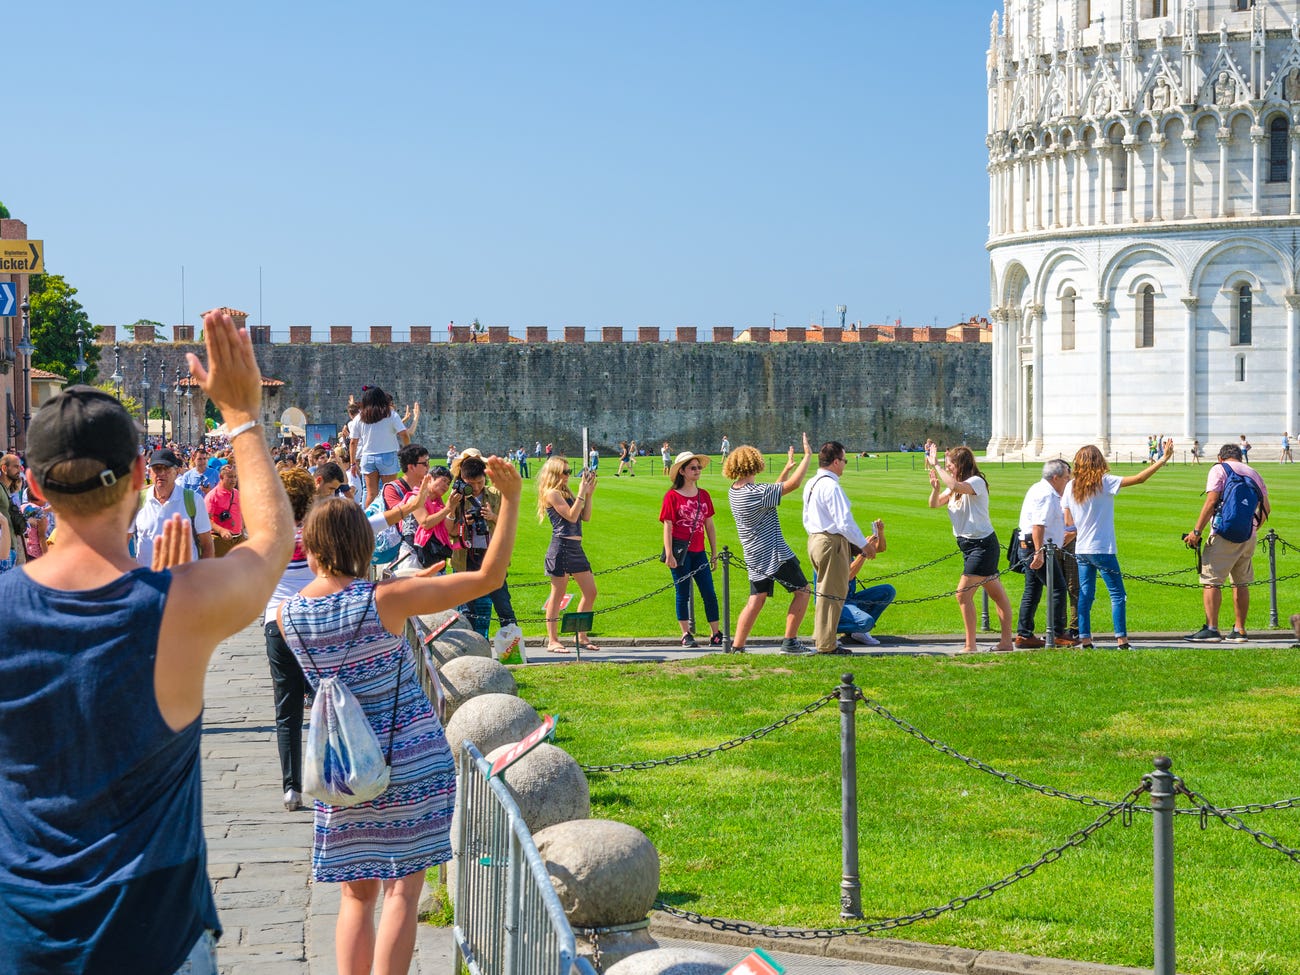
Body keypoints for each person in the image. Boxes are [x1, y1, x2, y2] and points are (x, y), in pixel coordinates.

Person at [0, 309, 295, 974]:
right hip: (155, 936)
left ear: (37, 486)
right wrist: (243, 416)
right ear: (139, 473)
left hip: (26, 937)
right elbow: (273, 543)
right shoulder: (175, 607)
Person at [279, 458, 521, 975]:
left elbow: (340, 604)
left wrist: (410, 585)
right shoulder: (387, 600)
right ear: (364, 546)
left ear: (314, 548)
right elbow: (489, 576)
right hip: (409, 759)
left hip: (342, 768)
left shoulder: (288, 614)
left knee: (356, 896)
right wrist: (513, 501)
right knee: (402, 894)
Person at [1062, 439, 1172, 650]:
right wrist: (1163, 459)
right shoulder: (1104, 482)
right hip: (1102, 548)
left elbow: (1068, 522)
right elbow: (1140, 478)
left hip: (1082, 548)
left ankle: (1085, 639)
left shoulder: (1071, 486)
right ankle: (1121, 640)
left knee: (1086, 595)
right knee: (1117, 595)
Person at [723, 436, 814, 655]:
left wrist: (787, 467)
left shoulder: (735, 491)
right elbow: (792, 486)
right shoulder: (754, 493)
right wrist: (808, 457)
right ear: (755, 464)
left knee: (756, 599)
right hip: (774, 554)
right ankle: (790, 642)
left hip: (754, 556)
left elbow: (772, 491)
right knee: (803, 592)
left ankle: (737, 646)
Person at [264, 467, 318, 812]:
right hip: (315, 619)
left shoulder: (270, 531)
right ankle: (332, 776)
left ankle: (291, 788)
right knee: (328, 702)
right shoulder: (316, 528)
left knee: (287, 712)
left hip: (278, 620)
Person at [925, 444, 1015, 653]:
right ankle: (1006, 642)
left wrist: (936, 464)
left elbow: (956, 486)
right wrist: (936, 489)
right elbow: (934, 504)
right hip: (970, 546)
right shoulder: (956, 485)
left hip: (982, 545)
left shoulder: (976, 482)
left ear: (961, 465)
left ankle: (970, 645)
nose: (948, 469)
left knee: (962, 595)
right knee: (998, 595)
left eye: (951, 466)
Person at [1182, 443, 1271, 642]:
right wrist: (1252, 528)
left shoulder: (1219, 469)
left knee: (1211, 581)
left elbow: (1211, 501)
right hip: (1248, 536)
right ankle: (1239, 630)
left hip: (1223, 533)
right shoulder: (1253, 473)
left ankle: (1212, 628)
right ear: (1239, 456)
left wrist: (1196, 531)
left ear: (1220, 457)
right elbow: (1266, 508)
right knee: (1240, 583)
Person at [803, 440, 875, 655]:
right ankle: (827, 644)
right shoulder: (831, 486)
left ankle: (823, 637)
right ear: (835, 462)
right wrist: (864, 545)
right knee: (833, 593)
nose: (844, 464)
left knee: (826, 592)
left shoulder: (812, 483)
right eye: (844, 460)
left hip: (816, 539)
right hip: (830, 541)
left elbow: (807, 517)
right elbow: (844, 521)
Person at [447, 452, 518, 638]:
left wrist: (493, 517)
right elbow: (449, 532)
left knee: (503, 605)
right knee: (467, 609)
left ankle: (512, 650)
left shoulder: (495, 495)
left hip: (492, 556)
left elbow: (510, 523)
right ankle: (471, 649)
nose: (477, 488)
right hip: (465, 558)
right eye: (472, 484)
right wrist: (461, 520)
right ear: (463, 480)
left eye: (480, 482)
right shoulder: (456, 498)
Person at [660, 451, 723, 648]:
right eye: (693, 468)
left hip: (699, 551)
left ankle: (715, 633)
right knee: (682, 593)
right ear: (683, 472)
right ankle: (685, 633)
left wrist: (713, 552)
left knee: (709, 593)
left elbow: (709, 525)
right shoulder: (672, 496)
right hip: (681, 553)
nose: (697, 471)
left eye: (699, 467)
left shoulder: (703, 495)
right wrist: (669, 553)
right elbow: (668, 526)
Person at [537, 456, 600, 652]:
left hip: (575, 549)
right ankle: (552, 640)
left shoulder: (566, 492)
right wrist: (581, 492)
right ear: (555, 473)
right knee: (557, 595)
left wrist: (588, 494)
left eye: (569, 471)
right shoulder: (552, 493)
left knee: (591, 592)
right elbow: (571, 517)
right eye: (565, 472)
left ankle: (581, 636)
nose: (568, 475)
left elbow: (585, 517)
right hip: (561, 548)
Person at [1014, 459, 1077, 649]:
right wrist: (1039, 552)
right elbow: (1038, 525)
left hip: (1030, 545)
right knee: (1057, 587)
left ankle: (1024, 634)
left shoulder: (1039, 488)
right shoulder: (1047, 494)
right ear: (1056, 478)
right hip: (1036, 547)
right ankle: (1057, 633)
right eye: (1066, 478)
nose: (1068, 482)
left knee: (1032, 590)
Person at [134, 447, 215, 565]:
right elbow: (123, 542)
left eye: (166, 469)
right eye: (157, 469)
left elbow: (207, 545)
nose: (161, 473)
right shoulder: (138, 501)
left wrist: (200, 577)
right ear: (149, 472)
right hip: (148, 579)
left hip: (184, 579)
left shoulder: (193, 500)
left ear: (177, 472)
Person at [347, 385, 411, 509]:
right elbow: (404, 434)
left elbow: (353, 442)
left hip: (368, 457)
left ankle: (369, 523)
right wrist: (408, 450)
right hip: (388, 455)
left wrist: (352, 463)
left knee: (370, 494)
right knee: (390, 493)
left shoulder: (359, 417)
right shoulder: (391, 414)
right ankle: (390, 524)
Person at [206, 463, 246, 557]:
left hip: (238, 538)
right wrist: (221, 531)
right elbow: (206, 520)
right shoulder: (212, 496)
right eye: (230, 477)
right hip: (220, 541)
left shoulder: (236, 493)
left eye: (235, 477)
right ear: (221, 477)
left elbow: (239, 513)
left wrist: (242, 532)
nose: (233, 480)